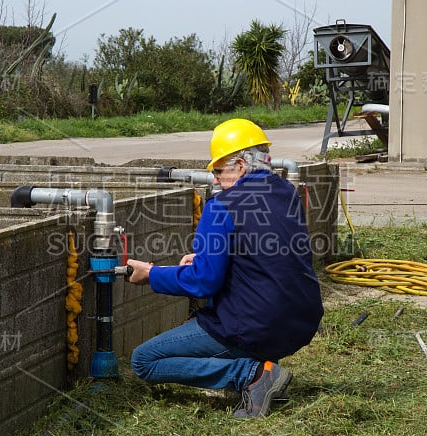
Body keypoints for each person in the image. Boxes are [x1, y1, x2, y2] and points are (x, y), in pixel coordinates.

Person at [126, 118, 324, 418]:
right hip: (300, 322)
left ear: (241, 165)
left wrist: (151, 275)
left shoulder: (221, 207)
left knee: (144, 360)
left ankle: (252, 376)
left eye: (218, 171)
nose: (215, 180)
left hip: (257, 326)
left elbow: (204, 282)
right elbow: (265, 252)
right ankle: (257, 371)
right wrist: (208, 257)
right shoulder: (286, 192)